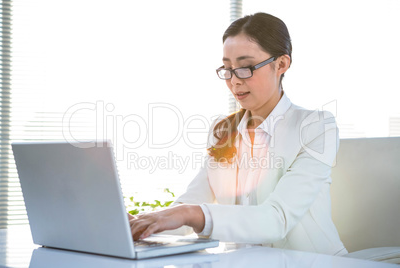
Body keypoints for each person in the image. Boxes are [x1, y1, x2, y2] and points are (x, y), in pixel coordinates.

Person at [129, 12, 348, 256]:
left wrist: (190, 213)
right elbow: (191, 201)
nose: (234, 81)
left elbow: (276, 219)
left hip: (312, 262)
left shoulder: (316, 126)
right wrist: (142, 224)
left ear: (281, 64)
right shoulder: (223, 131)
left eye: (245, 68)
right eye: (227, 69)